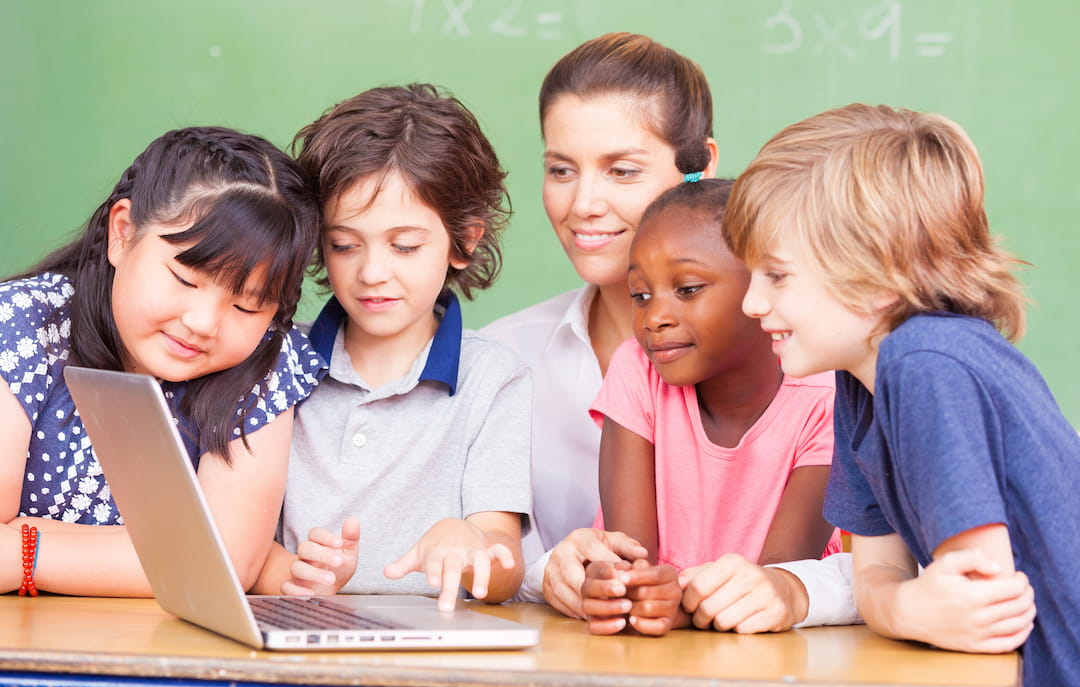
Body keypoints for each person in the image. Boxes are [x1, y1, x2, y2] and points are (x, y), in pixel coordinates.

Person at [482, 32, 857, 632]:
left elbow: (799, 576)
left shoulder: (822, 377)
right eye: (561, 169)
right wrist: (544, 574)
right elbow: (486, 557)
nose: (584, 204)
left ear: (700, 166)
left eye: (622, 170)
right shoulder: (500, 359)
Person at [727, 102, 1061, 687]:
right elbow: (874, 574)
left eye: (776, 275)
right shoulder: (860, 381)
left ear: (880, 277)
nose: (750, 302)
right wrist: (905, 607)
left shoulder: (925, 363)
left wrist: (908, 606)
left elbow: (979, 607)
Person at [1, 126, 325, 597]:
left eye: (246, 306)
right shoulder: (24, 324)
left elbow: (219, 566)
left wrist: (26, 552)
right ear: (122, 233)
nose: (203, 322)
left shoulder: (267, 359)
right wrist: (170, 554)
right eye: (186, 280)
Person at [253, 84, 531, 611]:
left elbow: (504, 567)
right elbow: (236, 541)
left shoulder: (493, 376)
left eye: (404, 246)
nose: (372, 272)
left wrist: (469, 545)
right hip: (294, 632)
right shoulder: (274, 362)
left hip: (437, 649)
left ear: (465, 241)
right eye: (344, 245)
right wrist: (296, 573)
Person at [579, 168, 840, 636]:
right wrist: (614, 586)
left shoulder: (826, 398)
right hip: (656, 654)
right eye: (639, 295)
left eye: (688, 289)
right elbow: (629, 555)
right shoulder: (638, 370)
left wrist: (674, 604)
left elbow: (772, 582)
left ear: (762, 290)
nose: (654, 317)